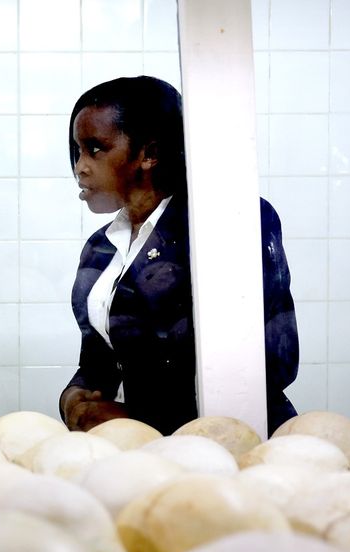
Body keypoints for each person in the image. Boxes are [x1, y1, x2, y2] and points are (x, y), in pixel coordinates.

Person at [59, 76, 298, 435]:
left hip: (233, 443)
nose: (81, 166)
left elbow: (272, 362)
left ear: (150, 154)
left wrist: (139, 417)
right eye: (77, 150)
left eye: (96, 149)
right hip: (142, 449)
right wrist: (75, 397)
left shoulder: (228, 220)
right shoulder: (102, 247)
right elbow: (100, 362)